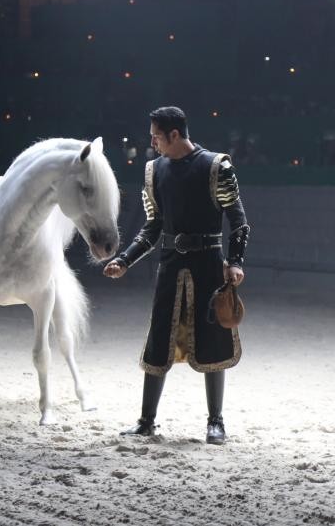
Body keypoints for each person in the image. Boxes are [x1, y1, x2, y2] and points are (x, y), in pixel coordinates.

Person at [103, 106, 250, 445]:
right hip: (170, 266)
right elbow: (152, 227)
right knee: (158, 340)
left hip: (209, 264)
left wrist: (236, 261)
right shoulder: (154, 171)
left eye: (156, 135)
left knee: (213, 338)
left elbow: (238, 220)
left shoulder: (217, 166)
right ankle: (146, 420)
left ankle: (216, 422)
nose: (152, 142)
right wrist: (125, 260)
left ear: (174, 134)